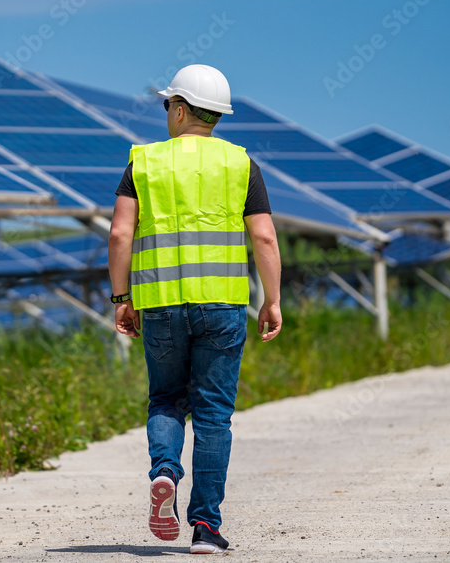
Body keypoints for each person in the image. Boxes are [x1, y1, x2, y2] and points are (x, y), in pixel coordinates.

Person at [108, 64, 283, 554]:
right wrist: (271, 300)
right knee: (213, 415)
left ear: (180, 108)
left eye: (168, 105)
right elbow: (264, 236)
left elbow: (121, 233)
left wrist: (122, 299)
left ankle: (164, 472)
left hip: (160, 305)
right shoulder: (241, 164)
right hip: (223, 307)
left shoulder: (143, 163)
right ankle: (205, 527)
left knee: (166, 400)